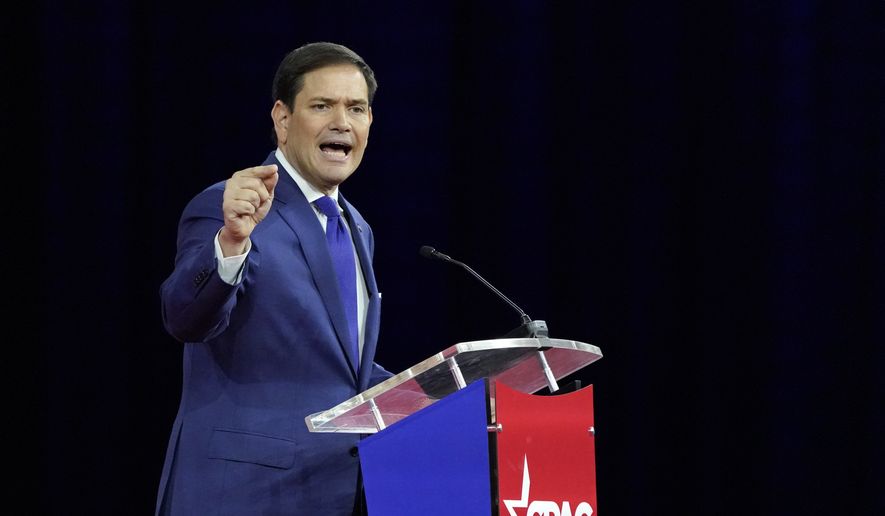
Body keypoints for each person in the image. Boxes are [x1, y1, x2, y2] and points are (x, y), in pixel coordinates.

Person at [155, 42, 392, 515]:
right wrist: (231, 243)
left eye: (356, 108)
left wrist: (446, 387)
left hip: (328, 491)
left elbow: (339, 373)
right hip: (240, 493)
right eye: (322, 105)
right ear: (283, 120)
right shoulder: (231, 207)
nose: (342, 122)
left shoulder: (356, 228)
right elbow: (184, 317)